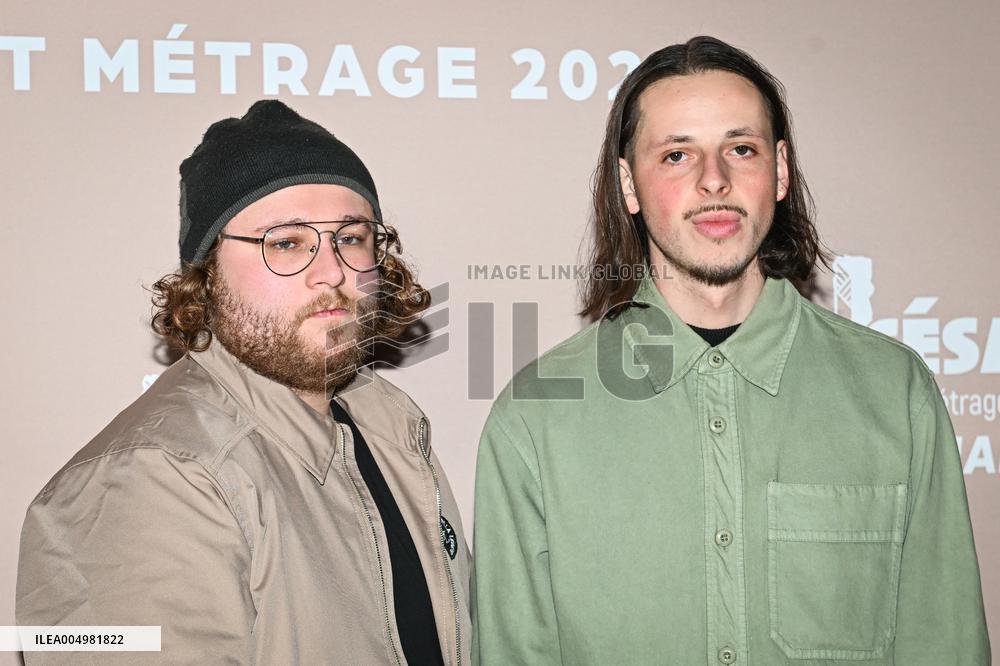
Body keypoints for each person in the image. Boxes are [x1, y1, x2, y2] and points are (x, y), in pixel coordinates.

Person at [472, 36, 990, 664]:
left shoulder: (895, 391)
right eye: (676, 154)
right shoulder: (533, 419)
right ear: (627, 184)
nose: (713, 179)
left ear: (779, 171)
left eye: (739, 149)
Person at [17, 100, 470, 664]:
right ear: (206, 275)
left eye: (351, 237)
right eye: (285, 242)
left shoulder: (391, 433)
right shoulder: (146, 479)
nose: (332, 270)